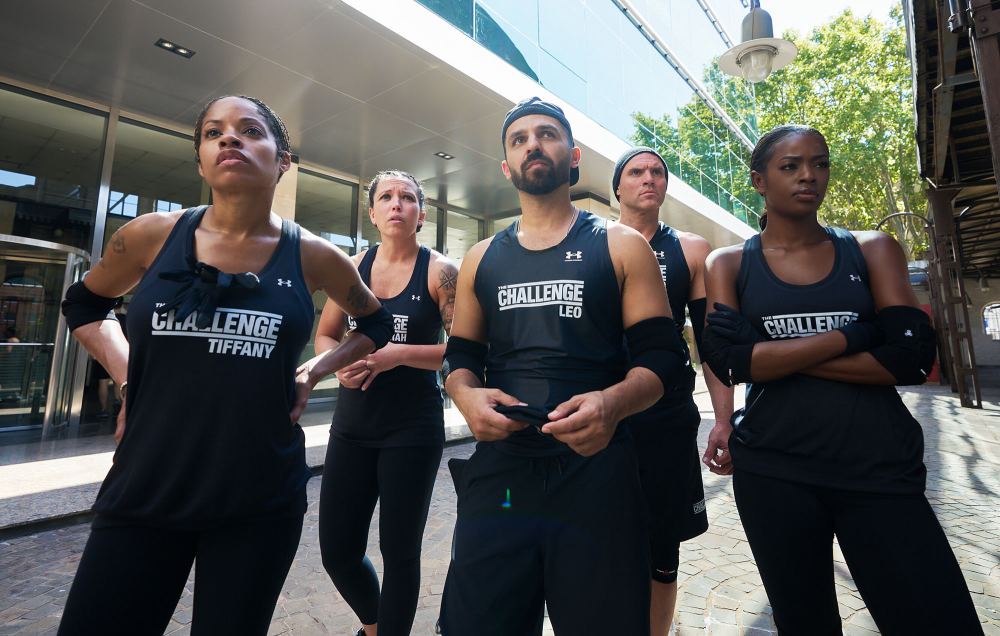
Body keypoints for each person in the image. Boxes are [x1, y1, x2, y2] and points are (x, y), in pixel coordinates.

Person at [57, 95, 393, 636]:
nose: (229, 139)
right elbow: (84, 304)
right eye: (214, 133)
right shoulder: (150, 236)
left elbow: (376, 325)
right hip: (146, 487)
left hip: (257, 501)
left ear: (283, 160)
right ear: (200, 160)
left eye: (249, 130)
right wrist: (127, 378)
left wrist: (313, 371)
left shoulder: (313, 255)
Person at [701, 124, 982, 635]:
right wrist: (853, 336)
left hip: (877, 465)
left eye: (820, 163)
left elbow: (910, 360)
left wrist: (768, 353)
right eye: (790, 166)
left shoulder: (873, 249)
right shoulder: (729, 262)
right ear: (759, 181)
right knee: (803, 621)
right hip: (774, 469)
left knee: (935, 616)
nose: (809, 175)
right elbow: (727, 363)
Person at [437, 97, 693, 635]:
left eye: (547, 134)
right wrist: (464, 396)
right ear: (506, 166)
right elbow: (460, 359)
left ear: (572, 157)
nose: (534, 143)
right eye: (519, 138)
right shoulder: (480, 257)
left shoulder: (620, 245)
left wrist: (613, 402)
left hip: (596, 475)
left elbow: (663, 358)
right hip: (502, 476)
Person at [315, 170, 457, 636]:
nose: (397, 204)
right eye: (387, 198)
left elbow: (463, 349)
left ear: (421, 214)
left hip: (411, 430)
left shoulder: (440, 271)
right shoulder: (351, 267)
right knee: (337, 550)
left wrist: (397, 356)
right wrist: (335, 364)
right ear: (373, 213)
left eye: (408, 198)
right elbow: (326, 334)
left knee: (399, 552)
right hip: (352, 426)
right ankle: (375, 626)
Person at [612, 146, 734, 635]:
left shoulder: (690, 249)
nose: (649, 178)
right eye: (637, 171)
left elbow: (710, 346)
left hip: (666, 416)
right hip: (604, 415)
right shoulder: (594, 243)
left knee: (663, 548)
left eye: (658, 172)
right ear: (617, 186)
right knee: (601, 540)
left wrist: (723, 419)